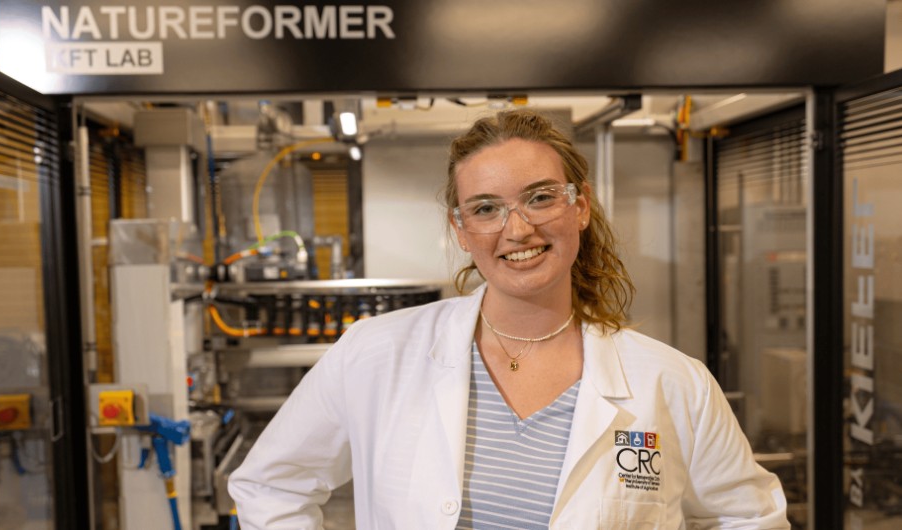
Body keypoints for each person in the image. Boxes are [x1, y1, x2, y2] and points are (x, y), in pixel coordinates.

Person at [228, 109, 790, 529]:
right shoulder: (377, 352)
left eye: (540, 198)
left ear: (581, 206)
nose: (516, 229)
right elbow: (270, 487)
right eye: (486, 208)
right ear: (461, 228)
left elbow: (750, 519)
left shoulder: (673, 383)